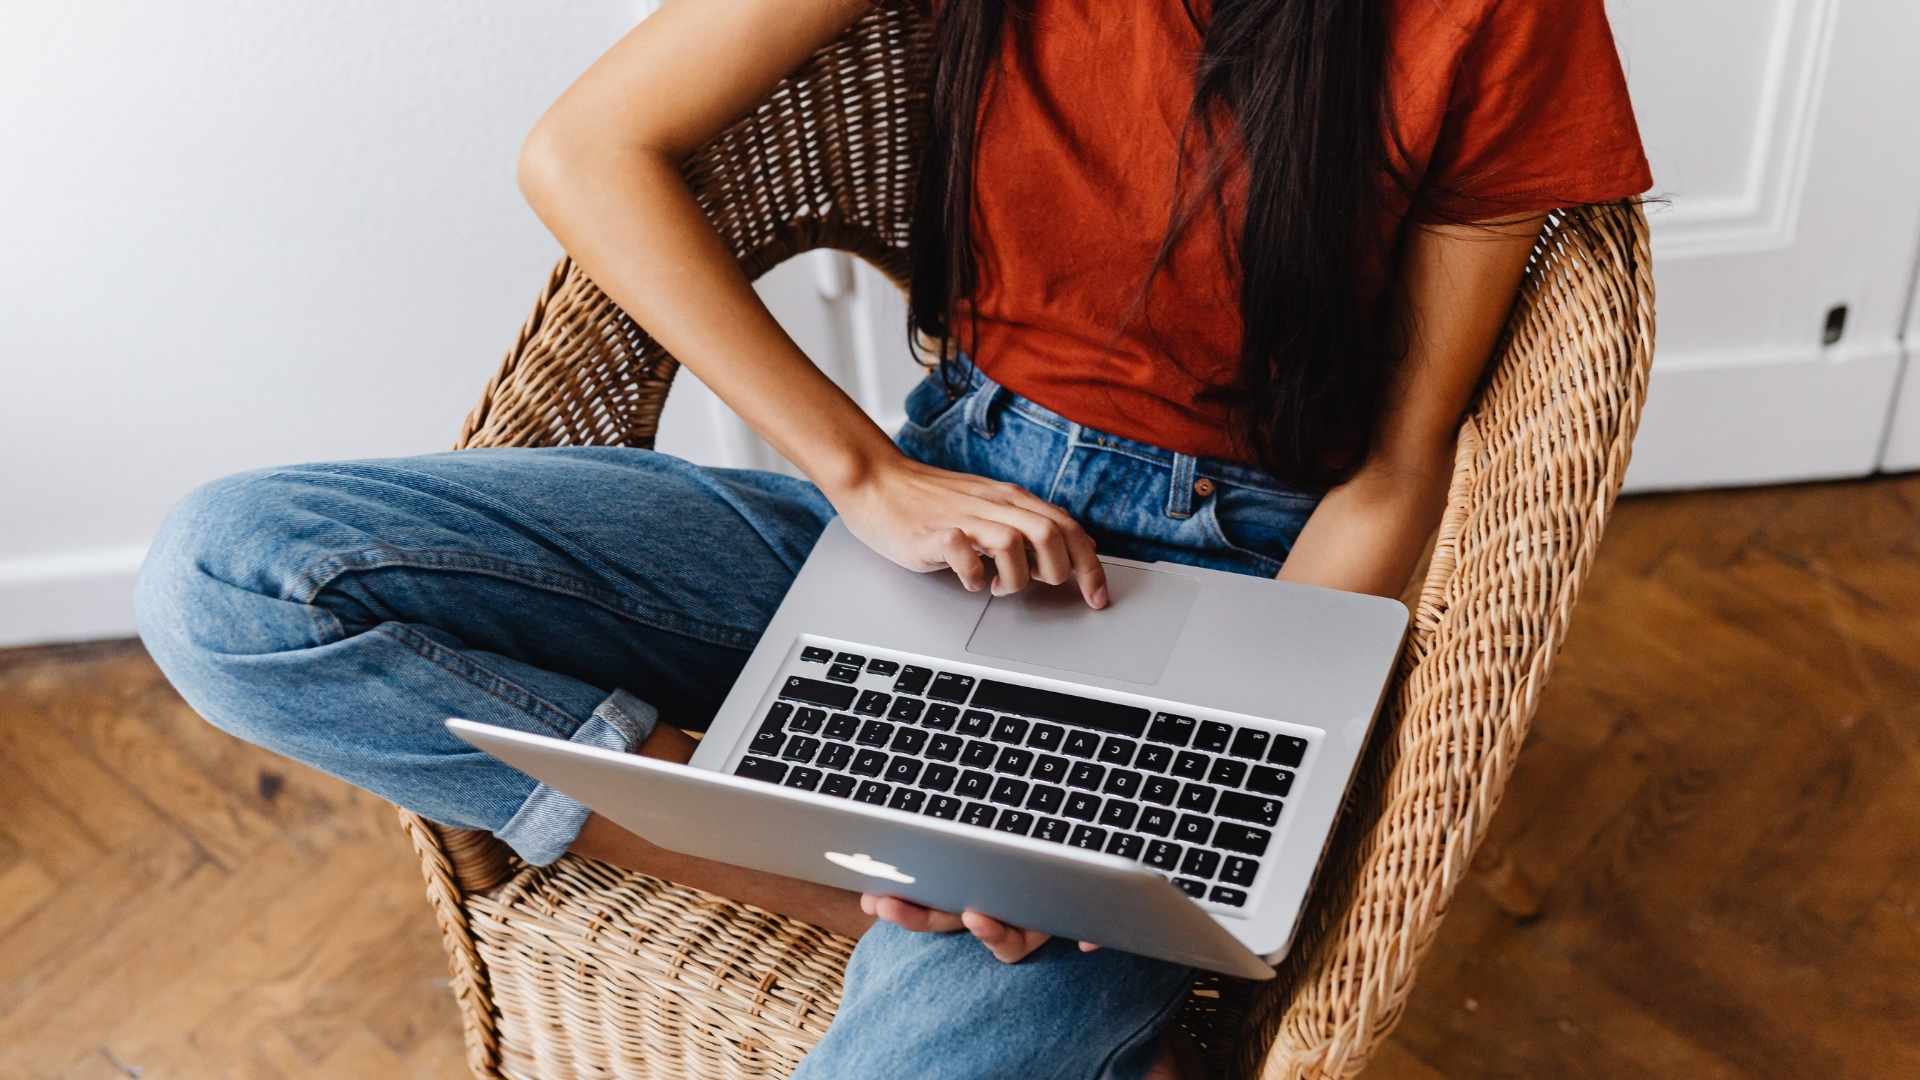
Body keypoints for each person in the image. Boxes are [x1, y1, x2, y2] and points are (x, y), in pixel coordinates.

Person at [134, 0, 1651, 1075]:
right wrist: (862, 472)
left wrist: (1160, 786)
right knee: (229, 577)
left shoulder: (1504, 14)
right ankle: (817, 863)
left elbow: (1398, 468)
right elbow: (587, 149)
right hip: (925, 512)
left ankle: (1008, 903)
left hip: (1231, 578)